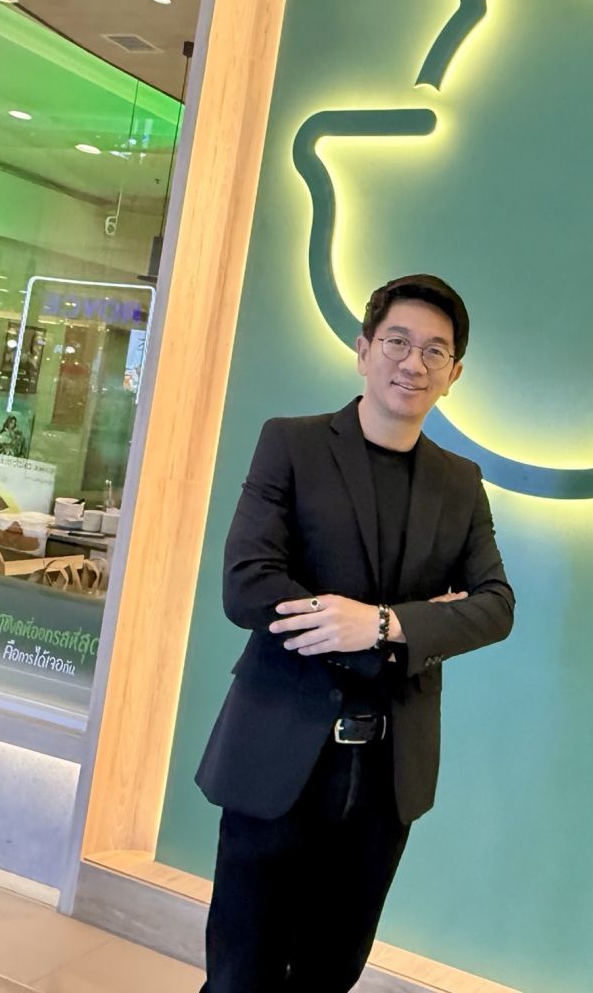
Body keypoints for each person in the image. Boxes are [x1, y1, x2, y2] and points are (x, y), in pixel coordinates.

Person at [195, 274, 514, 993]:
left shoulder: (460, 482)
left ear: (454, 374)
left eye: (435, 351)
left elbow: (495, 605)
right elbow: (248, 585)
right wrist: (418, 621)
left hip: (386, 772)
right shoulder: (292, 444)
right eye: (397, 341)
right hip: (277, 750)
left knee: (330, 974)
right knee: (240, 975)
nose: (414, 363)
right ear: (364, 350)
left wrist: (379, 622)